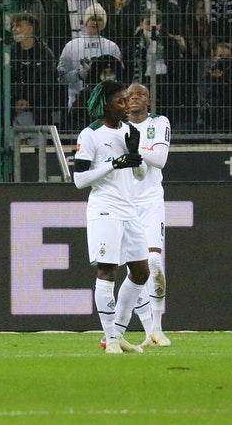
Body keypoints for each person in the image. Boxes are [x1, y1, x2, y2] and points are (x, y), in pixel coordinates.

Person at [72, 80, 149, 354]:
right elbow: (80, 179)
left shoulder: (129, 131)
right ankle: (111, 340)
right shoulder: (90, 135)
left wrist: (135, 154)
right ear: (106, 105)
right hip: (105, 209)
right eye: (121, 101)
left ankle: (118, 332)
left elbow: (140, 174)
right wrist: (113, 164)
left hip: (129, 209)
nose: (127, 105)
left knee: (141, 272)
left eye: (127, 99)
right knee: (107, 271)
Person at [126, 83, 172, 347]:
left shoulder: (159, 122)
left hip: (151, 202)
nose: (134, 98)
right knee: (136, 270)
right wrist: (144, 150)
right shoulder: (118, 127)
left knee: (154, 261)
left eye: (140, 95)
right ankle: (148, 332)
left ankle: (158, 326)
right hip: (124, 204)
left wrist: (133, 149)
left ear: (148, 100)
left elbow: (160, 159)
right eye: (130, 95)